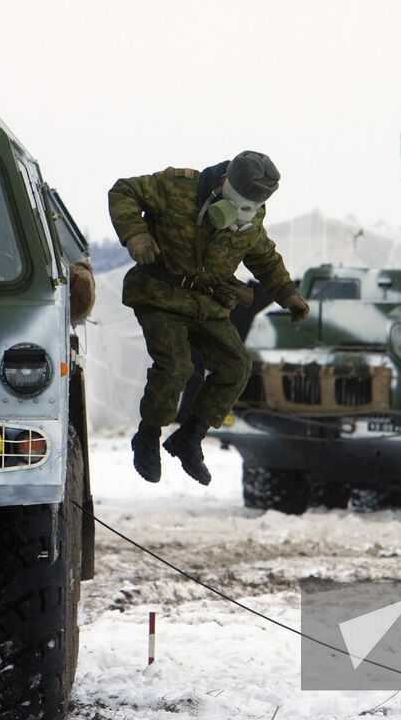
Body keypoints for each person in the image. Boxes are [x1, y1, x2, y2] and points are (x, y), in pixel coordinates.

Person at [108, 151, 309, 485]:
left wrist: (288, 294)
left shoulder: (251, 218)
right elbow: (123, 190)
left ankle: (189, 437)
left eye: (252, 208)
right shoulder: (176, 187)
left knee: (236, 365)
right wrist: (136, 233)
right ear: (224, 182)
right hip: (161, 295)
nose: (244, 214)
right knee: (177, 366)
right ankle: (148, 436)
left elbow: (265, 259)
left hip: (206, 304)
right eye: (240, 203)